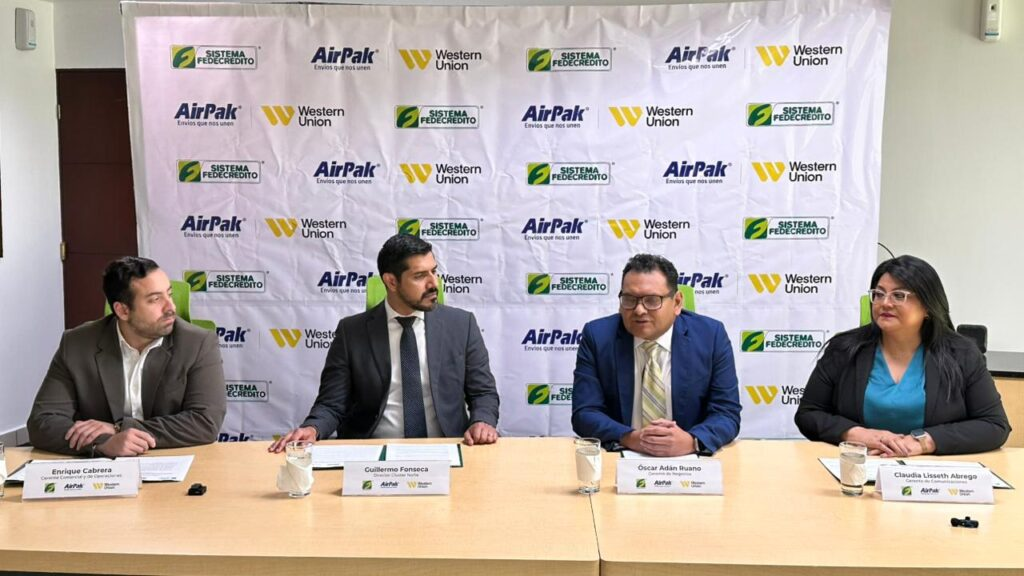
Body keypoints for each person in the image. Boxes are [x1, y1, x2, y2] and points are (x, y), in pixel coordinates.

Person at [269, 234, 500, 452]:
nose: (433, 284)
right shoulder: (351, 332)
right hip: (371, 452)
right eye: (420, 276)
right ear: (391, 281)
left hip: (446, 448)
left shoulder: (461, 325)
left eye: (434, 271)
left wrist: (482, 421)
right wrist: (313, 428)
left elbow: (483, 393)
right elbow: (331, 404)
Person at [795, 255, 1010, 456]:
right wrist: (858, 435)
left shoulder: (961, 354)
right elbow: (808, 414)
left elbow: (994, 425)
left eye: (899, 295)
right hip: (859, 466)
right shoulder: (845, 348)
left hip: (931, 473)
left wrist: (923, 442)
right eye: (879, 294)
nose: (885, 303)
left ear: (928, 307)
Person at [27, 257, 226, 457]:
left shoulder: (198, 343)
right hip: (103, 469)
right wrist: (102, 444)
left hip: (177, 460)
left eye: (170, 294)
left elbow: (205, 422)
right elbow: (42, 422)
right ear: (122, 310)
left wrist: (119, 429)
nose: (170, 307)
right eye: (155, 300)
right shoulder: (77, 344)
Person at [571, 254, 741, 456]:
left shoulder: (710, 336)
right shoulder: (598, 336)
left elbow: (726, 413)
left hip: (689, 460)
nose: (639, 310)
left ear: (677, 302)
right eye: (629, 299)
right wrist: (632, 438)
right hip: (622, 455)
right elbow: (585, 412)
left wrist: (691, 441)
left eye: (652, 300)